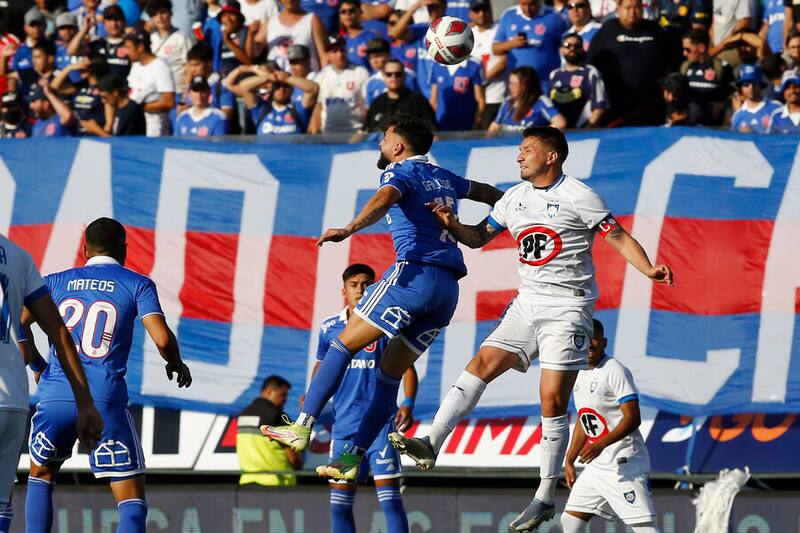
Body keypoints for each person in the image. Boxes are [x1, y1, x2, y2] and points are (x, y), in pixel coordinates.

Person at [389, 126, 674, 531]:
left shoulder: (580, 195)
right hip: (527, 303)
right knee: (480, 364)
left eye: (526, 150)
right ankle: (431, 441)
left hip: (568, 307)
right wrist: (453, 224)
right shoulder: (514, 198)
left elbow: (618, 237)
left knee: (551, 399)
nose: (519, 156)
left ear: (551, 156)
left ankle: (544, 496)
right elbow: (478, 238)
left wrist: (648, 268)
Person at [261, 115, 504, 480]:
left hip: (413, 276)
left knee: (341, 344)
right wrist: (520, 203)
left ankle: (302, 426)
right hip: (447, 291)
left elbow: (385, 197)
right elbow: (487, 193)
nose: (380, 144)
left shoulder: (399, 172)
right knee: (388, 377)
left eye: (385, 138)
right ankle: (352, 459)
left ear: (398, 147)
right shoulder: (445, 177)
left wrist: (350, 228)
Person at [20, 217, 192, 533]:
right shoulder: (137, 284)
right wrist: (176, 363)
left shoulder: (54, 282)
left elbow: (17, 323)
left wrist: (38, 366)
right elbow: (162, 339)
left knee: (41, 476)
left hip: (55, 394)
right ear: (124, 249)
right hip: (103, 397)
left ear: (84, 249)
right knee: (131, 500)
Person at [0, 233, 101, 533]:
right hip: (12, 402)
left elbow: (26, 333)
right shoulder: (18, 257)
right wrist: (83, 400)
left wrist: (36, 363)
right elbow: (59, 332)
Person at [315, 264, 417, 533]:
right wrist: (312, 396)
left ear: (375, 289)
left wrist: (408, 403)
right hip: (344, 429)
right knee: (340, 505)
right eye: (354, 285)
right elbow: (322, 366)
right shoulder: (330, 327)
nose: (360, 290)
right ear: (344, 291)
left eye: (366, 284)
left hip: (379, 429)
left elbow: (407, 367)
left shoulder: (386, 323)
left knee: (390, 501)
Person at [560, 320, 659, 533]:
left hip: (624, 463)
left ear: (604, 342)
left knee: (645, 528)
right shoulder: (578, 373)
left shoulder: (614, 370)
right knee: (570, 521)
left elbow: (633, 418)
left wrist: (600, 445)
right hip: (597, 466)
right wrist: (569, 458)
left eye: (595, 338)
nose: (590, 344)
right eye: (585, 338)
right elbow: (585, 419)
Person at [587, 0, 667, 125]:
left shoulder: (655, 30)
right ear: (618, 8)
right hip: (615, 109)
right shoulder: (607, 30)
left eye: (637, 7)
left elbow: (669, 63)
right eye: (628, 7)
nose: (633, 12)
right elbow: (591, 64)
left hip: (649, 106)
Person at [237, 375, 303, 486]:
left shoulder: (243, 415)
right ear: (269, 392)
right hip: (276, 483)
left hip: (247, 482)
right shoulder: (277, 416)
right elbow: (293, 458)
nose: (285, 400)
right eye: (282, 395)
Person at [492, 0, 567, 87]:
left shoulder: (555, 16)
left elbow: (566, 46)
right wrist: (512, 44)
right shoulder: (508, 15)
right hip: (517, 86)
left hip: (545, 83)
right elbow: (495, 49)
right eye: (523, 4)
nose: (527, 9)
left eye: (532, 4)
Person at [229, 62, 319, 134]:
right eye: (277, 86)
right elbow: (244, 87)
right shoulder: (262, 109)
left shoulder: (298, 109)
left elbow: (313, 89)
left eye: (286, 86)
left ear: (292, 89)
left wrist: (287, 78)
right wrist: (269, 77)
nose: (282, 89)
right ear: (271, 88)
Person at [309, 36, 369, 133]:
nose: (340, 54)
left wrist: (364, 130)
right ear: (328, 55)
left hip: (355, 132)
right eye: (335, 51)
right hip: (328, 134)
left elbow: (368, 105)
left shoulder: (360, 72)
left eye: (342, 50)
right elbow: (318, 106)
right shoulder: (321, 76)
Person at [547, 33, 608, 128]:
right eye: (568, 45)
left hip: (582, 130)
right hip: (560, 131)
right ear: (561, 50)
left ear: (582, 49)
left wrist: (586, 130)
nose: (572, 49)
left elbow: (600, 106)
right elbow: (549, 106)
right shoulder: (554, 74)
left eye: (577, 46)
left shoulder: (591, 72)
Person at [386, 0, 445, 99]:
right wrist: (415, 6)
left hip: (443, 91)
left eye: (436, 6)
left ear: (444, 7)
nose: (433, 10)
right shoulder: (422, 29)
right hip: (421, 92)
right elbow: (394, 33)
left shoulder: (452, 31)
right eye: (430, 7)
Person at [124, 29, 176, 137]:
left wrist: (140, 108)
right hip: (134, 127)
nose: (126, 52)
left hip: (153, 130)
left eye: (129, 48)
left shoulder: (160, 67)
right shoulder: (135, 66)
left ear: (140, 47)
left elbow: (168, 102)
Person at [679, 28, 733, 125]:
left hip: (715, 125)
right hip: (690, 125)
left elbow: (732, 96)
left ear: (701, 48)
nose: (684, 53)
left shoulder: (721, 67)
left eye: (687, 49)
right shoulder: (685, 67)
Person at [364, 58, 436, 131]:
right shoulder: (376, 104)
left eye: (398, 74)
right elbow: (366, 131)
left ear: (404, 75)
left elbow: (432, 131)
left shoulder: (419, 102)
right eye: (389, 74)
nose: (393, 77)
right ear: (384, 77)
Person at [254, 0, 326, 71]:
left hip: (304, 77)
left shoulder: (313, 20)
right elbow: (254, 52)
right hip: (274, 76)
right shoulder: (271, 21)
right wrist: (250, 34)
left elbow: (323, 56)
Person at [489, 66, 564, 131]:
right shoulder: (507, 102)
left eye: (515, 84)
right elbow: (494, 126)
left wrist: (539, 137)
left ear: (526, 85)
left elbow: (560, 123)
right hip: (507, 142)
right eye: (510, 83)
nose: (510, 87)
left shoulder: (540, 101)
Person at [469, 0, 507, 128]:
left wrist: (481, 81)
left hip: (496, 95)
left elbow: (504, 61)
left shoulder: (499, 29)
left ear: (491, 11)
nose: (481, 14)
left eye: (485, 10)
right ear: (470, 14)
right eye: (477, 10)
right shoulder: (468, 33)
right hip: (474, 98)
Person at [69, 4, 131, 81]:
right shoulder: (97, 44)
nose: (114, 24)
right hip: (100, 87)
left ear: (124, 21)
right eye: (109, 20)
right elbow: (72, 51)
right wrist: (85, 29)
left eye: (117, 19)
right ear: (104, 22)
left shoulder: (130, 44)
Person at [429, 56, 486, 131]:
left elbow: (480, 99)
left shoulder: (474, 64)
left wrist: (476, 124)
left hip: (467, 125)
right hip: (442, 124)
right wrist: (432, 126)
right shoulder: (436, 65)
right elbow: (433, 100)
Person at [148, 0, 192, 96]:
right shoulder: (150, 39)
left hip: (178, 91)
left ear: (170, 13)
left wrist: (186, 95)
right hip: (155, 93)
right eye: (155, 14)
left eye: (162, 12)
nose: (160, 17)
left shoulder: (182, 37)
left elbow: (190, 66)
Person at [363, 39, 418, 106]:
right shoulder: (371, 82)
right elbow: (369, 107)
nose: (374, 61)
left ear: (389, 55)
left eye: (378, 56)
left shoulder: (407, 75)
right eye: (370, 58)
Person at [730, 63, 781, 132]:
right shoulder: (737, 115)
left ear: (760, 84)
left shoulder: (776, 108)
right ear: (741, 88)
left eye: (755, 83)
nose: (751, 87)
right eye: (746, 84)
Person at [340, 0, 381, 70]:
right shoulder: (342, 41)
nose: (347, 14)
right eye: (343, 12)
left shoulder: (371, 36)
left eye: (351, 11)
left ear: (360, 13)